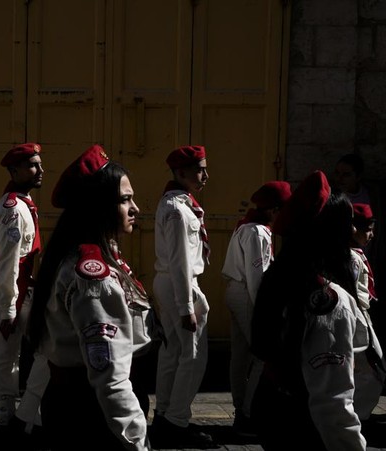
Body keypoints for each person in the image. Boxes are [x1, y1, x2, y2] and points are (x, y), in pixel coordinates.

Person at [26, 144, 152, 450]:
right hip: (93, 415)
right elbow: (110, 378)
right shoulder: (94, 279)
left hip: (76, 407)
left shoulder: (82, 259)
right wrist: (137, 441)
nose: (135, 208)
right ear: (100, 206)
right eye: (124, 200)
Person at [250, 170, 367, 450]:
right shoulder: (328, 301)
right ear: (332, 233)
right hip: (305, 424)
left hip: (274, 412)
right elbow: (331, 400)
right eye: (348, 224)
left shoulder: (284, 276)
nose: (353, 231)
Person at [150, 145, 214, 447]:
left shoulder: (179, 203)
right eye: (199, 169)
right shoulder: (177, 209)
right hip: (180, 283)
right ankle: (176, 420)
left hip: (173, 282)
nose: (205, 175)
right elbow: (180, 260)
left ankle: (165, 414)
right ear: (181, 173)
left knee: (173, 352)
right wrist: (186, 305)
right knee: (192, 356)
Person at [220, 180, 291, 437]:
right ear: (274, 210)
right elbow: (257, 278)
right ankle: (248, 413)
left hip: (237, 292)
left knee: (240, 356)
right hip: (248, 295)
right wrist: (267, 311)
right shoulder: (257, 232)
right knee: (263, 354)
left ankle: (241, 410)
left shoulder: (246, 226)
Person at [0, 142, 49, 437]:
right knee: (19, 351)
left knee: (27, 351)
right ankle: (11, 414)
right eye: (33, 165)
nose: (40, 170)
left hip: (22, 288)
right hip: (15, 288)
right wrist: (8, 308)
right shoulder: (14, 209)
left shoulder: (22, 203)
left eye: (40, 164)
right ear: (15, 170)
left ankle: (17, 412)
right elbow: (10, 262)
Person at [349, 203, 385, 424]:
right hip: (357, 318)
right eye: (367, 229)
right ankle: (355, 419)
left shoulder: (355, 254)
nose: (371, 235)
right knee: (375, 371)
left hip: (361, 316)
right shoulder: (351, 257)